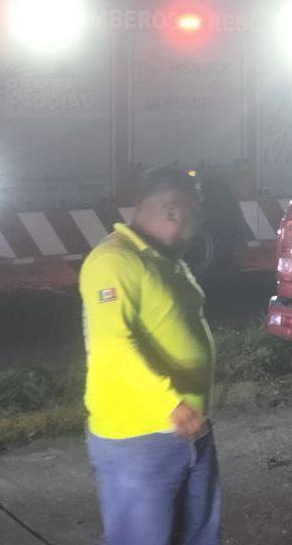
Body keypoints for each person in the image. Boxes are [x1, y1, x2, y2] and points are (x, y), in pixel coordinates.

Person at [80, 166, 220, 545]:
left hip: (188, 428)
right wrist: (170, 404)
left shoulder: (163, 258)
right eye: (197, 214)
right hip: (140, 439)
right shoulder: (114, 261)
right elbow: (114, 345)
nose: (199, 225)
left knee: (197, 534)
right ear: (174, 211)